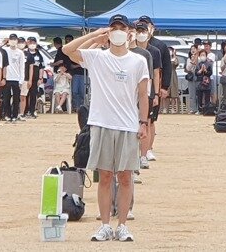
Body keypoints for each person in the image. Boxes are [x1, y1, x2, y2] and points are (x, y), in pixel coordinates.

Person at [63, 15, 150, 242]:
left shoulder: (138, 61)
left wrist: (143, 122)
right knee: (105, 176)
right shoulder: (97, 57)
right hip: (102, 123)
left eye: (122, 27)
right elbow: (67, 50)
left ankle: (122, 224)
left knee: (125, 177)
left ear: (129, 32)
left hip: (128, 124)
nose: (118, 31)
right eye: (114, 28)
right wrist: (95, 35)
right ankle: (104, 224)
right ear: (109, 32)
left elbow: (143, 94)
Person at [133, 19, 163, 164]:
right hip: (132, 92)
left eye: (143, 31)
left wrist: (156, 93)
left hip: (148, 91)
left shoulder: (153, 52)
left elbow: (156, 73)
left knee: (147, 121)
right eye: (138, 31)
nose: (140, 34)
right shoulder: (130, 50)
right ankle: (134, 154)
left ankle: (144, 154)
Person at [2, 34, 25, 123]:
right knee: (6, 98)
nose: (13, 41)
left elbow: (22, 67)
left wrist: (21, 80)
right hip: (7, 78)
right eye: (11, 39)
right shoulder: (5, 50)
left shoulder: (20, 52)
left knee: (16, 99)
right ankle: (7, 115)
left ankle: (15, 115)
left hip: (16, 79)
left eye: (14, 39)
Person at [23, 36, 45, 118]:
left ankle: (32, 111)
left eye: (33, 43)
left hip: (35, 78)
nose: (32, 44)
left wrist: (40, 78)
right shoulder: (24, 53)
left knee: (33, 95)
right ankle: (24, 111)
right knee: (25, 95)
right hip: (25, 78)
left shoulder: (39, 55)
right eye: (30, 43)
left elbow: (41, 67)